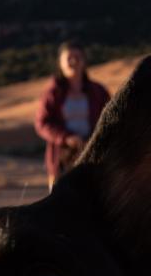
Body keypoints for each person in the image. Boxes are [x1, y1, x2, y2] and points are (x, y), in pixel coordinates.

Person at [34, 41, 111, 189]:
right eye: (69, 58)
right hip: (61, 159)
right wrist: (66, 137)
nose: (74, 61)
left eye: (78, 57)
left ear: (84, 61)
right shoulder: (53, 92)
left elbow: (111, 118)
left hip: (93, 156)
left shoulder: (98, 91)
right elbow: (42, 123)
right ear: (60, 63)